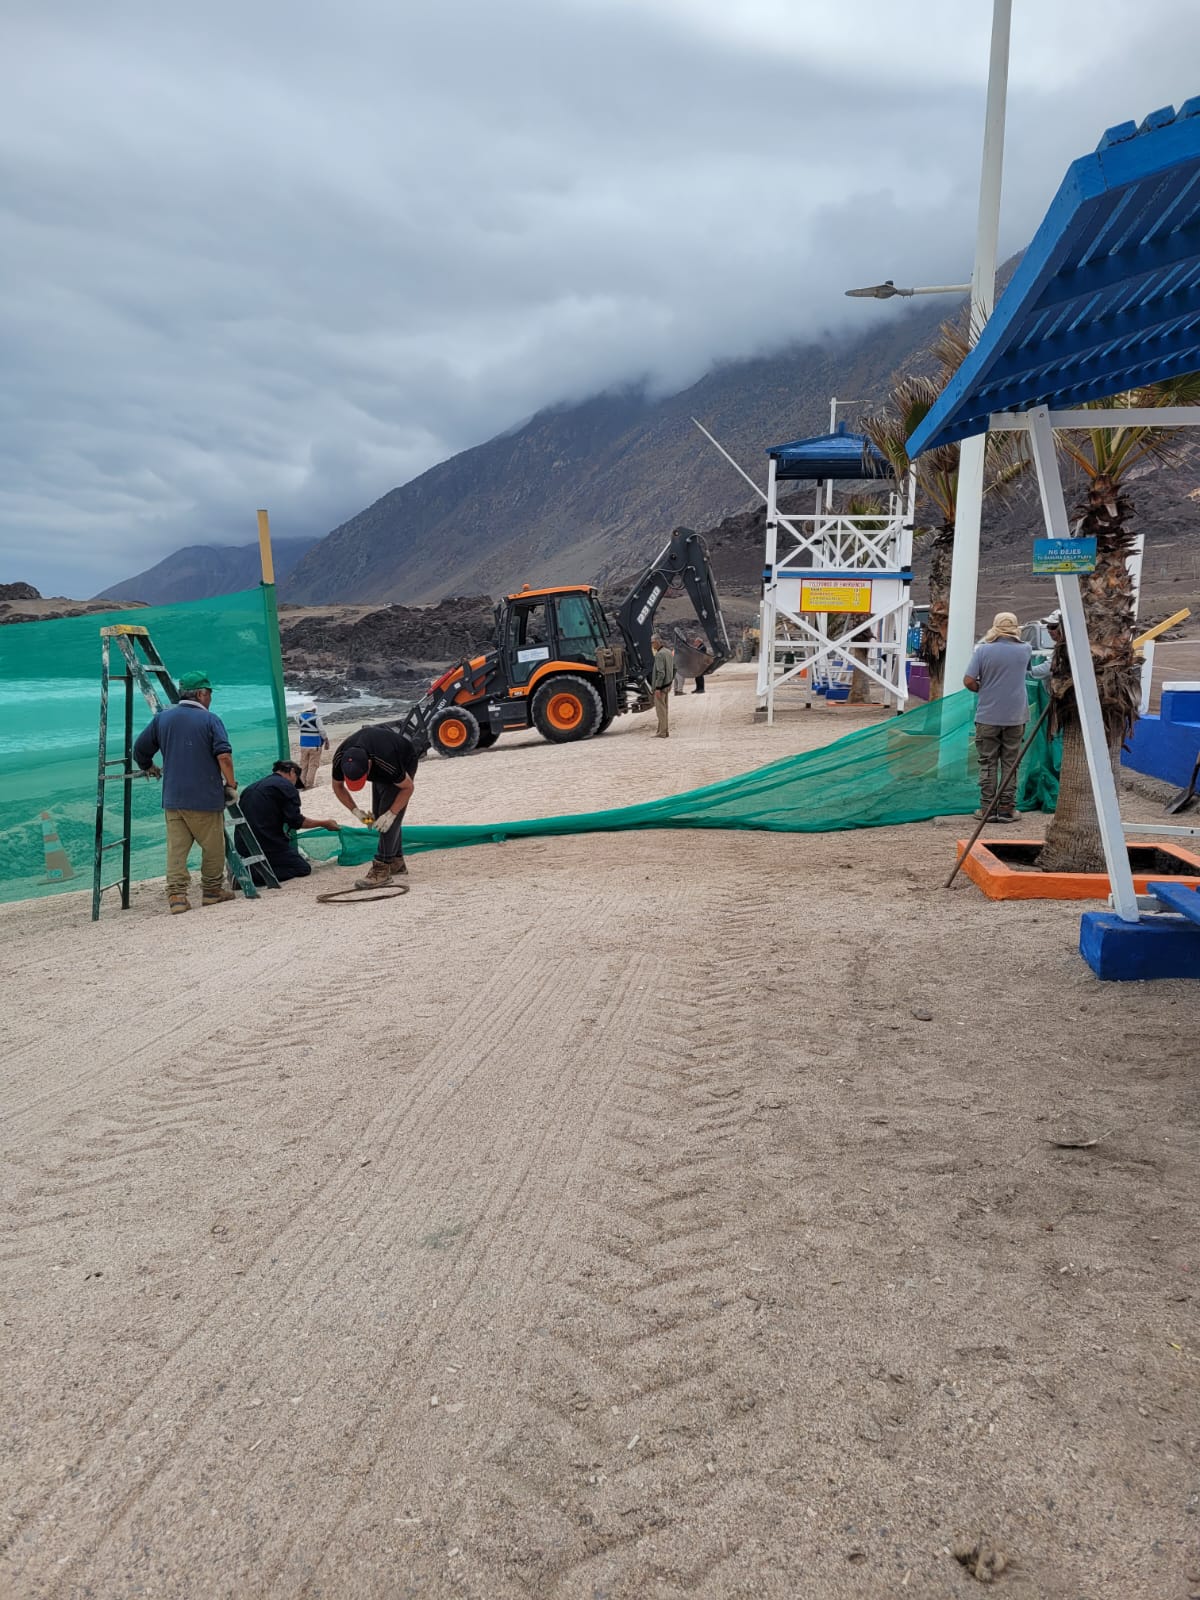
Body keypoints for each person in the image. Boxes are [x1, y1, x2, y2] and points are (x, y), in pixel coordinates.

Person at [133, 670, 238, 913]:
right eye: (209, 693)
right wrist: (231, 784)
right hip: (204, 796)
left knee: (177, 850)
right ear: (201, 694)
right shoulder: (211, 720)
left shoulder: (162, 718)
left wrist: (148, 766)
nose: (210, 698)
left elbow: (140, 749)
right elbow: (224, 756)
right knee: (213, 847)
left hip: (173, 797)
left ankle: (177, 896)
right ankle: (212, 891)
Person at [330, 723, 420, 888]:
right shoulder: (339, 757)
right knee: (379, 817)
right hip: (379, 758)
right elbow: (337, 786)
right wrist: (356, 811)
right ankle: (396, 863)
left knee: (387, 819)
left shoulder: (387, 762)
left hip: (403, 757)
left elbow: (408, 788)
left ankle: (381, 869)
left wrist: (392, 813)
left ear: (369, 766)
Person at [963, 612, 1033, 822]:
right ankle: (1006, 809)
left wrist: (982, 689)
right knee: (1011, 763)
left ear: (995, 627)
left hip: (988, 716)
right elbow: (1027, 672)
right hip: (1016, 716)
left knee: (988, 762)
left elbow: (968, 680)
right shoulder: (1026, 649)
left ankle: (987, 809)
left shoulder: (983, 650)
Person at [236, 760, 342, 884]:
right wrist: (324, 823)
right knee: (302, 868)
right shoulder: (285, 786)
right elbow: (296, 822)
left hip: (242, 844)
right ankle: (248, 875)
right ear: (292, 772)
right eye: (296, 780)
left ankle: (250, 868)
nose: (294, 784)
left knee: (283, 859)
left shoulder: (252, 788)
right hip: (266, 843)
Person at [296, 701, 330, 788]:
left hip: (303, 745)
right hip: (315, 745)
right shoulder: (317, 718)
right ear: (313, 709)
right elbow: (322, 731)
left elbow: (300, 727)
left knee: (303, 765)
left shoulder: (299, 717)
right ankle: (309, 784)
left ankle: (301, 783)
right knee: (313, 765)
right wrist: (326, 740)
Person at [650, 634, 675, 738]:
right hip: (667, 685)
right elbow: (675, 668)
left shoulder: (659, 654)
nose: (652, 645)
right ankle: (663, 731)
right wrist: (670, 681)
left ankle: (662, 732)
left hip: (661, 687)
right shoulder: (668, 652)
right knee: (664, 709)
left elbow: (661, 673)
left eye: (652, 642)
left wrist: (658, 688)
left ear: (657, 642)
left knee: (661, 710)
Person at [1030, 610, 1063, 681]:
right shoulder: (1060, 646)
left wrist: (1025, 670)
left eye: (1053, 627)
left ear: (1063, 627)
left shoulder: (1067, 648)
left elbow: (1048, 669)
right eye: (1048, 626)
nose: (1049, 630)